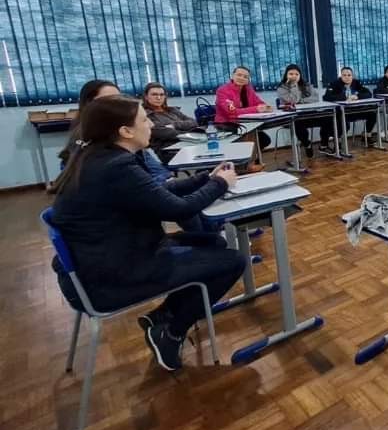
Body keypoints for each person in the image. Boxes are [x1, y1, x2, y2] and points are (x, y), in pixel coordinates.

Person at [49, 96, 245, 371]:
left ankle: (164, 315)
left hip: (108, 257)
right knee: (234, 260)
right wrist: (220, 184)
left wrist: (205, 178)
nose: (150, 125)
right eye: (144, 120)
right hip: (110, 279)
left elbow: (157, 195)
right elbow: (178, 210)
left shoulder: (98, 157)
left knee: (212, 241)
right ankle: (171, 331)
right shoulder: (116, 167)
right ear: (125, 131)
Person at [215, 65, 273, 164]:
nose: (242, 78)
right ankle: (246, 165)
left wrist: (266, 107)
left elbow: (258, 102)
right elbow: (231, 112)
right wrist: (256, 109)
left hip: (246, 123)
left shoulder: (248, 89)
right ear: (232, 76)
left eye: (245, 77)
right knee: (249, 138)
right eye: (239, 75)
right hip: (226, 124)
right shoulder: (222, 90)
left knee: (265, 140)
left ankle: (250, 161)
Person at [276, 64, 332, 158]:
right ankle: (307, 144)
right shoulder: (282, 88)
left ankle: (323, 145)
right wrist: (294, 86)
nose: (294, 76)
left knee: (327, 118)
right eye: (291, 74)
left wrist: (301, 101)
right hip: (293, 116)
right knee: (298, 124)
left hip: (309, 113)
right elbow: (292, 100)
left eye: (296, 74)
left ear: (300, 75)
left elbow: (316, 98)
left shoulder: (306, 85)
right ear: (286, 75)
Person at [142, 83, 201, 158]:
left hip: (189, 143)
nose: (159, 97)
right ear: (146, 97)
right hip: (169, 151)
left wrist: (174, 125)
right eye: (154, 94)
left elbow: (194, 122)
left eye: (162, 94)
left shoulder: (172, 110)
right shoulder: (144, 114)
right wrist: (191, 131)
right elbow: (165, 133)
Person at [323, 66, 378, 140]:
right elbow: (327, 97)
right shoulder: (335, 84)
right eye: (344, 75)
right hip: (341, 111)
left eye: (349, 75)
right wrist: (345, 97)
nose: (347, 77)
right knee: (343, 124)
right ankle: (338, 143)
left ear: (352, 76)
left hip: (355, 110)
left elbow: (368, 93)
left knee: (372, 114)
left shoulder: (356, 83)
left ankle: (366, 135)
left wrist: (357, 96)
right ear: (341, 76)